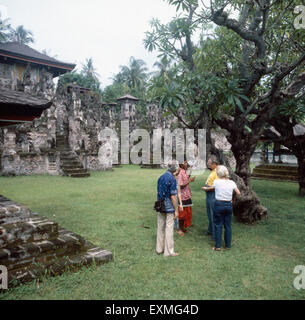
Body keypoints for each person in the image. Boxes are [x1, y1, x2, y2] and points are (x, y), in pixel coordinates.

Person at [203, 165, 241, 251]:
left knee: (218, 225)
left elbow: (212, 187)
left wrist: (206, 188)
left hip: (219, 204)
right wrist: (232, 197)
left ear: (219, 174)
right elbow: (238, 193)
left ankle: (218, 246)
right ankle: (228, 246)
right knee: (228, 226)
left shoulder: (216, 182)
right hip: (228, 205)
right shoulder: (232, 183)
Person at [156, 161, 180, 257]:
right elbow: (173, 196)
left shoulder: (160, 177)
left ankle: (159, 249)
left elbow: (157, 192)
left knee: (160, 226)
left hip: (160, 204)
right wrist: (176, 210)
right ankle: (169, 252)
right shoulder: (172, 179)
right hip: (169, 205)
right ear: (176, 169)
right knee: (169, 228)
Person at [177, 161, 196, 235]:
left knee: (187, 212)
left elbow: (187, 177)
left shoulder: (184, 171)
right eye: (185, 163)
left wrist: (191, 170)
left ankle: (183, 227)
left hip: (187, 195)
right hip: (182, 196)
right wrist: (190, 181)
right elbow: (181, 185)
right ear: (181, 164)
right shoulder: (180, 173)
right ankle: (179, 229)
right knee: (182, 213)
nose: (186, 164)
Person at [203, 157, 219, 238]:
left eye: (209, 163)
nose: (208, 164)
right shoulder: (213, 171)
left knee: (213, 214)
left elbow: (217, 186)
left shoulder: (218, 172)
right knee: (209, 213)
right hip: (209, 194)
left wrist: (207, 188)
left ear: (214, 164)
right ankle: (210, 230)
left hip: (213, 194)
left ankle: (215, 234)